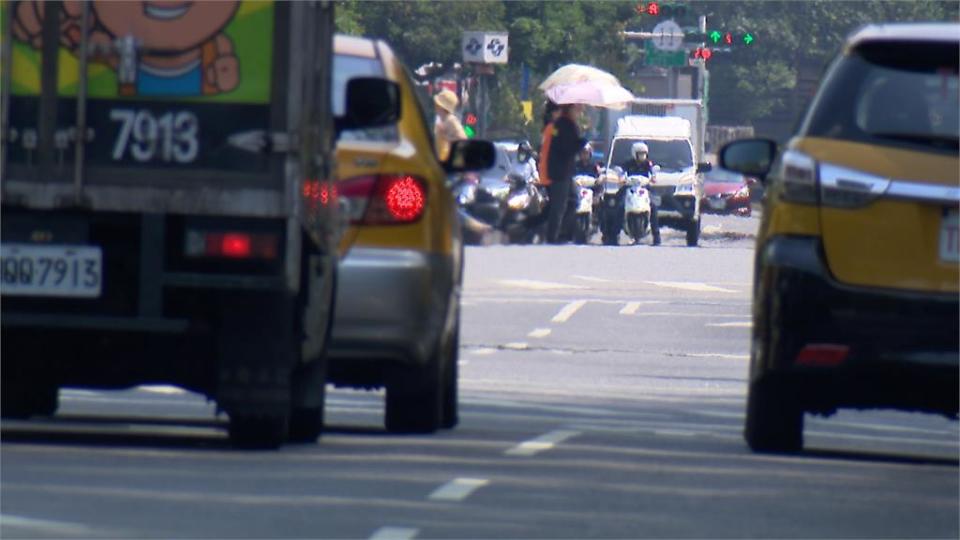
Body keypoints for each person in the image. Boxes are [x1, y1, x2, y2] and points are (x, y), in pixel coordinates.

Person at [543, 103, 587, 244]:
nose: (580, 111)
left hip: (566, 171)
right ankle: (553, 236)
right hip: (559, 171)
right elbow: (566, 148)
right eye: (578, 108)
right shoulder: (563, 125)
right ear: (570, 109)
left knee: (573, 200)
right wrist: (582, 142)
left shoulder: (568, 124)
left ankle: (563, 232)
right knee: (559, 205)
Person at [619, 141, 661, 245]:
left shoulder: (648, 164)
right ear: (634, 154)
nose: (642, 156)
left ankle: (656, 236)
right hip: (629, 189)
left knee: (653, 207)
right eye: (640, 154)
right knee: (619, 206)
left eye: (644, 154)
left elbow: (653, 172)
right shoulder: (628, 164)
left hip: (644, 190)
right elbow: (622, 172)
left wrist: (653, 178)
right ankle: (614, 235)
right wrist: (622, 178)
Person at [434, 89, 467, 162]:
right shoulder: (442, 120)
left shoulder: (451, 120)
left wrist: (445, 137)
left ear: (442, 107)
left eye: (437, 104)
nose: (435, 106)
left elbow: (463, 140)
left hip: (449, 163)